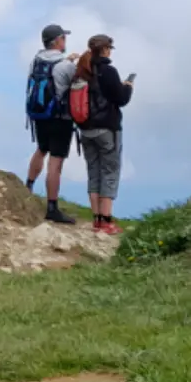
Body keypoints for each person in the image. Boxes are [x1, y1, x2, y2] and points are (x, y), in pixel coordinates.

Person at [72, 34, 133, 234]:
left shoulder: (81, 71)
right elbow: (121, 99)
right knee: (110, 172)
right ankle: (107, 221)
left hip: (85, 130)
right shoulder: (108, 71)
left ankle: (97, 220)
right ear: (106, 49)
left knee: (93, 172)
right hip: (107, 129)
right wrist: (128, 87)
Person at [23, 22, 77, 225]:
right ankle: (52, 207)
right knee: (56, 162)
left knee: (41, 149)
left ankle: (27, 187)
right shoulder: (66, 65)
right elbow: (75, 81)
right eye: (63, 38)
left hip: (39, 116)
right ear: (57, 41)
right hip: (60, 118)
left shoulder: (36, 61)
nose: (65, 41)